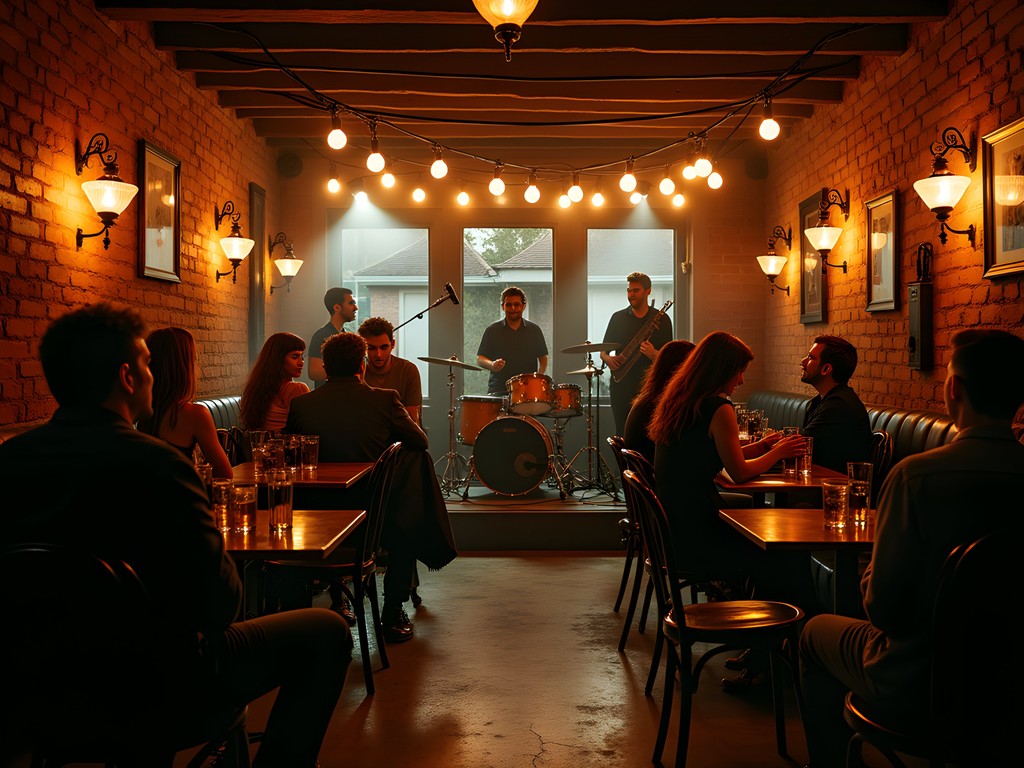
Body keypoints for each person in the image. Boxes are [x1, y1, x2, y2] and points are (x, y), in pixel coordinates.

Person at [0, 304, 351, 767]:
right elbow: (221, 603)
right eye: (147, 364)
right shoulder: (159, 465)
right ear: (128, 376)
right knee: (327, 630)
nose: (153, 374)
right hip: (159, 686)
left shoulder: (10, 461)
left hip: (35, 693)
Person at [799, 329, 1024, 767]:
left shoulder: (915, 477)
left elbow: (884, 609)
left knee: (812, 632)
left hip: (919, 677)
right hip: (1012, 681)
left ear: (953, 389)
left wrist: (868, 572)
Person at [285, 332, 456, 643]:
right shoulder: (384, 399)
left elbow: (289, 457)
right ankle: (392, 610)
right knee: (405, 515)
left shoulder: (301, 405)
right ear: (361, 366)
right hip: (373, 518)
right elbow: (420, 442)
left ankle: (334, 604)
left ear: (325, 368)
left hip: (315, 519)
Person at [136, 327, 233, 479]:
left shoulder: (140, 413)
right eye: (194, 359)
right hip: (183, 499)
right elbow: (225, 474)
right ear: (184, 367)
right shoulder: (195, 414)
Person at [601, 272, 674, 435]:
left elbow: (669, 359)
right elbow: (603, 352)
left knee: (649, 434)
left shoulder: (663, 319)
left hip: (650, 387)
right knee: (622, 432)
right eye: (629, 291)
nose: (631, 295)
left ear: (648, 291)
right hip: (621, 387)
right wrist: (608, 359)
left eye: (636, 290)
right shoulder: (617, 318)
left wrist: (654, 353)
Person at [799, 335, 872, 473]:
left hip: (833, 489)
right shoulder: (817, 403)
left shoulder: (839, 407)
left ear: (826, 369)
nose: (803, 362)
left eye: (810, 358)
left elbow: (797, 447)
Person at [622, 339, 695, 463]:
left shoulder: (649, 398)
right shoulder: (662, 404)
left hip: (647, 476)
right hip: (656, 477)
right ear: (680, 369)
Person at [476, 286, 548, 396]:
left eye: (516, 304)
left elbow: (543, 358)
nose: (513, 308)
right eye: (508, 305)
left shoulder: (534, 330)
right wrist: (492, 365)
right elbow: (480, 359)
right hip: (498, 389)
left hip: (527, 390)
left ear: (523, 306)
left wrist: (538, 376)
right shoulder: (492, 330)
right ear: (503, 306)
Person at [358, 316, 423, 426]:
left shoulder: (408, 370)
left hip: (401, 437)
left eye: (383, 347)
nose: (378, 354)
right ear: (363, 347)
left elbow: (412, 421)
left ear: (392, 344)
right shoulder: (357, 371)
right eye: (371, 348)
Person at [239, 332, 309, 432]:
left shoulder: (257, 388)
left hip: (261, 445)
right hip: (287, 445)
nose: (301, 362)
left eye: (302, 357)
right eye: (295, 357)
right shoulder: (296, 388)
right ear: (279, 359)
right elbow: (308, 425)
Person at [308, 286, 357, 388]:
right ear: (337, 307)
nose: (355, 308)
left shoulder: (346, 336)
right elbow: (314, 372)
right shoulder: (321, 336)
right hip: (327, 398)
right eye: (351, 303)